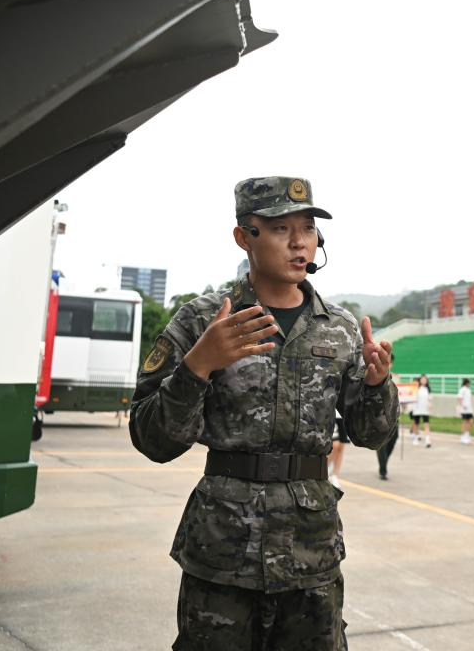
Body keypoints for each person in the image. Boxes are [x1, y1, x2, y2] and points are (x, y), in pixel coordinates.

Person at [129, 176, 399, 650]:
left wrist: (378, 386)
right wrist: (198, 365)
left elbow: (372, 435)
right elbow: (152, 438)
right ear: (243, 236)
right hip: (223, 547)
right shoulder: (203, 320)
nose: (299, 242)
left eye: (309, 228)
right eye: (280, 228)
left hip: (309, 551)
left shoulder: (339, 329)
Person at [376, 354, 400, 480]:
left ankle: (384, 461)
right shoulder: (378, 377)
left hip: (394, 414)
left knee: (394, 438)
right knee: (382, 443)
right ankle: (383, 469)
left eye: (390, 362)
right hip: (381, 415)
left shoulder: (396, 378)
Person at [327, 411, 348, 490]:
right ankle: (324, 469)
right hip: (331, 412)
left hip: (343, 413)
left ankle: (335, 476)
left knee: (341, 446)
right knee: (335, 445)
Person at [411, 373, 432, 448]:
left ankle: (427, 440)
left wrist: (430, 404)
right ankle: (415, 438)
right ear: (420, 380)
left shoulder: (428, 389)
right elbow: (413, 397)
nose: (424, 380)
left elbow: (429, 398)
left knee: (426, 424)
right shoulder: (416, 387)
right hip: (417, 409)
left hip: (425, 409)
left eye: (425, 379)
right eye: (422, 379)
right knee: (416, 424)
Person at [457, 378, 474, 444]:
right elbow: (459, 398)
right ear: (466, 383)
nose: (470, 384)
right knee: (465, 422)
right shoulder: (462, 389)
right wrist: (462, 406)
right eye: (469, 383)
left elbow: (469, 398)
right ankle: (463, 437)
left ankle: (467, 435)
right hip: (464, 409)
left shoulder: (469, 390)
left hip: (469, 409)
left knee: (471, 421)